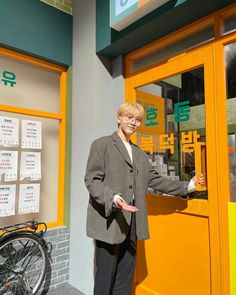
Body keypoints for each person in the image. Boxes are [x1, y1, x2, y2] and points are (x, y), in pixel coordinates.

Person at [84, 102, 204, 295]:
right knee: (105, 278)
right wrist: (112, 197)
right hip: (110, 221)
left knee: (125, 277)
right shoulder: (102, 144)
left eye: (137, 119)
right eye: (129, 117)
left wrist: (187, 186)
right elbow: (92, 179)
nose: (133, 122)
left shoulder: (139, 153)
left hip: (133, 223)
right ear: (119, 118)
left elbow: (156, 179)